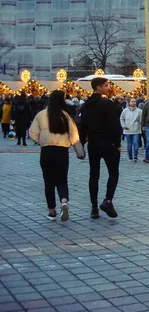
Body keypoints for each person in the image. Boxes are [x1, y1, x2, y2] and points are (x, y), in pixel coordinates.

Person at [29, 90, 85, 221]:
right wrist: (80, 153)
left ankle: (52, 211)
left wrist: (41, 140)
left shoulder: (41, 115)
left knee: (48, 182)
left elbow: (32, 133)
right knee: (62, 180)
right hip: (62, 151)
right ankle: (64, 201)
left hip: (47, 151)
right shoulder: (66, 116)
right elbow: (74, 136)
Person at [79, 77, 122, 219]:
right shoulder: (106, 104)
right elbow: (114, 125)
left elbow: (82, 127)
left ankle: (94, 207)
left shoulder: (85, 106)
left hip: (93, 144)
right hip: (107, 143)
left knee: (94, 175)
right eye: (106, 85)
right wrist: (117, 144)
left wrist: (81, 144)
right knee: (113, 172)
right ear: (98, 88)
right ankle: (108, 200)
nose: (108, 87)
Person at [120, 98, 143, 162]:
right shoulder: (125, 111)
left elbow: (142, 120)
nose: (133, 103)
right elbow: (122, 118)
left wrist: (141, 126)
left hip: (136, 129)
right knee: (129, 144)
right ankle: (130, 156)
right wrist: (124, 126)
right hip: (128, 129)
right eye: (132, 101)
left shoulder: (139, 111)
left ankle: (135, 156)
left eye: (134, 101)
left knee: (135, 143)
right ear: (129, 102)